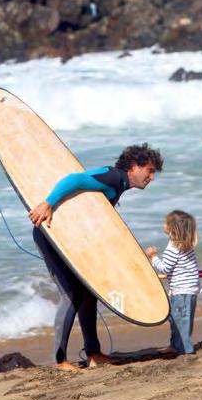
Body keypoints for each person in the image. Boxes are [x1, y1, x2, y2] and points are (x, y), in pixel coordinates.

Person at [29, 143, 163, 371]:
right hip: (51, 234)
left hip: (70, 238)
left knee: (89, 295)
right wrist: (47, 203)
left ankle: (93, 354)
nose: (151, 178)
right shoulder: (112, 177)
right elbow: (74, 179)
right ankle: (60, 360)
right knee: (70, 295)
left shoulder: (118, 184)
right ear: (133, 166)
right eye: (149, 171)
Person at [145, 209, 200, 355]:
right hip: (189, 289)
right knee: (179, 319)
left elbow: (165, 268)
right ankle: (175, 345)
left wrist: (153, 257)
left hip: (181, 291)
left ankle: (185, 349)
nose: (163, 224)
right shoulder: (185, 244)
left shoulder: (173, 247)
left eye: (166, 222)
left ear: (172, 228)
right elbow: (182, 267)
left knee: (180, 320)